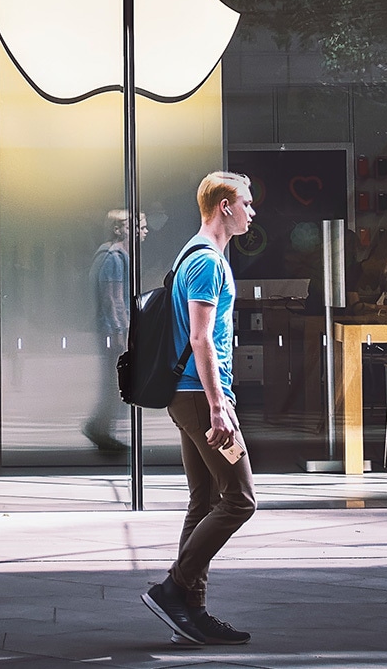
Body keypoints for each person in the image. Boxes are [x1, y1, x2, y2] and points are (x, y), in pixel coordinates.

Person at [141, 171, 256, 646]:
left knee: (205, 499)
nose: (252, 211)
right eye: (247, 203)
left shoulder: (189, 253)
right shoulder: (208, 263)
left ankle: (191, 611)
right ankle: (173, 588)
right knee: (241, 499)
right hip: (199, 397)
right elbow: (201, 337)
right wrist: (218, 405)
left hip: (184, 396)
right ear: (225, 207)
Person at [83, 209, 147, 454]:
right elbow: (113, 300)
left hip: (112, 329)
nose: (145, 231)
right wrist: (122, 335)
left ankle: (101, 429)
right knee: (115, 383)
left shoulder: (115, 255)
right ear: (120, 229)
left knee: (114, 384)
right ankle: (99, 428)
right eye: (139, 226)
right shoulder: (113, 257)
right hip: (113, 331)